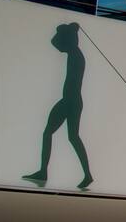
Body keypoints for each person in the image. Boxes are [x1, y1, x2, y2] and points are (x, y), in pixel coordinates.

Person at [23, 23, 93, 189]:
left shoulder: (75, 54)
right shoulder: (74, 53)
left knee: (68, 136)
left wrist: (67, 29)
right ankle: (44, 171)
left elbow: (56, 43)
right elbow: (57, 44)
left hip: (71, 101)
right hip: (70, 100)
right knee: (63, 135)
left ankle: (85, 174)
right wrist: (68, 29)